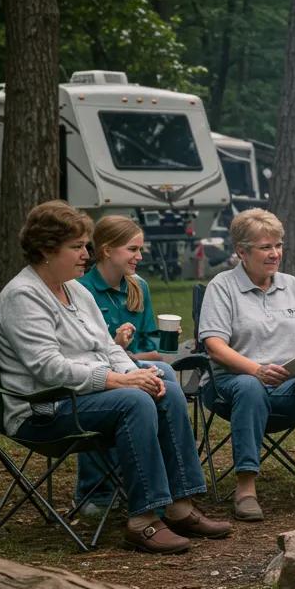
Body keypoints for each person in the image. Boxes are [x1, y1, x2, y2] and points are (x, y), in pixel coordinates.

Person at [0, 200, 230, 554]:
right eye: (76, 247)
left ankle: (180, 504)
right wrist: (122, 382)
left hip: (78, 397)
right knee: (134, 399)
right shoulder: (23, 296)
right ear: (46, 249)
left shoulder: (75, 290)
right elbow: (48, 368)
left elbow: (106, 346)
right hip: (43, 407)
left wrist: (136, 373)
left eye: (86, 245)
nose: (85, 255)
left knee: (161, 376)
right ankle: (143, 519)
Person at [198, 208, 295, 520]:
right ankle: (246, 488)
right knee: (250, 387)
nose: (275, 253)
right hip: (232, 385)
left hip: (287, 384)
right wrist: (256, 370)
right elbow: (215, 347)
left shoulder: (293, 286)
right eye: (266, 247)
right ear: (241, 251)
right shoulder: (222, 287)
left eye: (278, 245)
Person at [74, 214, 174, 512]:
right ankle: (97, 491)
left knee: (163, 372)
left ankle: (166, 487)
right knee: (125, 393)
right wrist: (116, 347)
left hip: (130, 366)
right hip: (98, 374)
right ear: (106, 250)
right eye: (132, 249)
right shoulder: (81, 290)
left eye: (140, 249)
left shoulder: (138, 287)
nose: (139, 256)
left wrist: (158, 348)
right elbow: (85, 353)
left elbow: (148, 342)